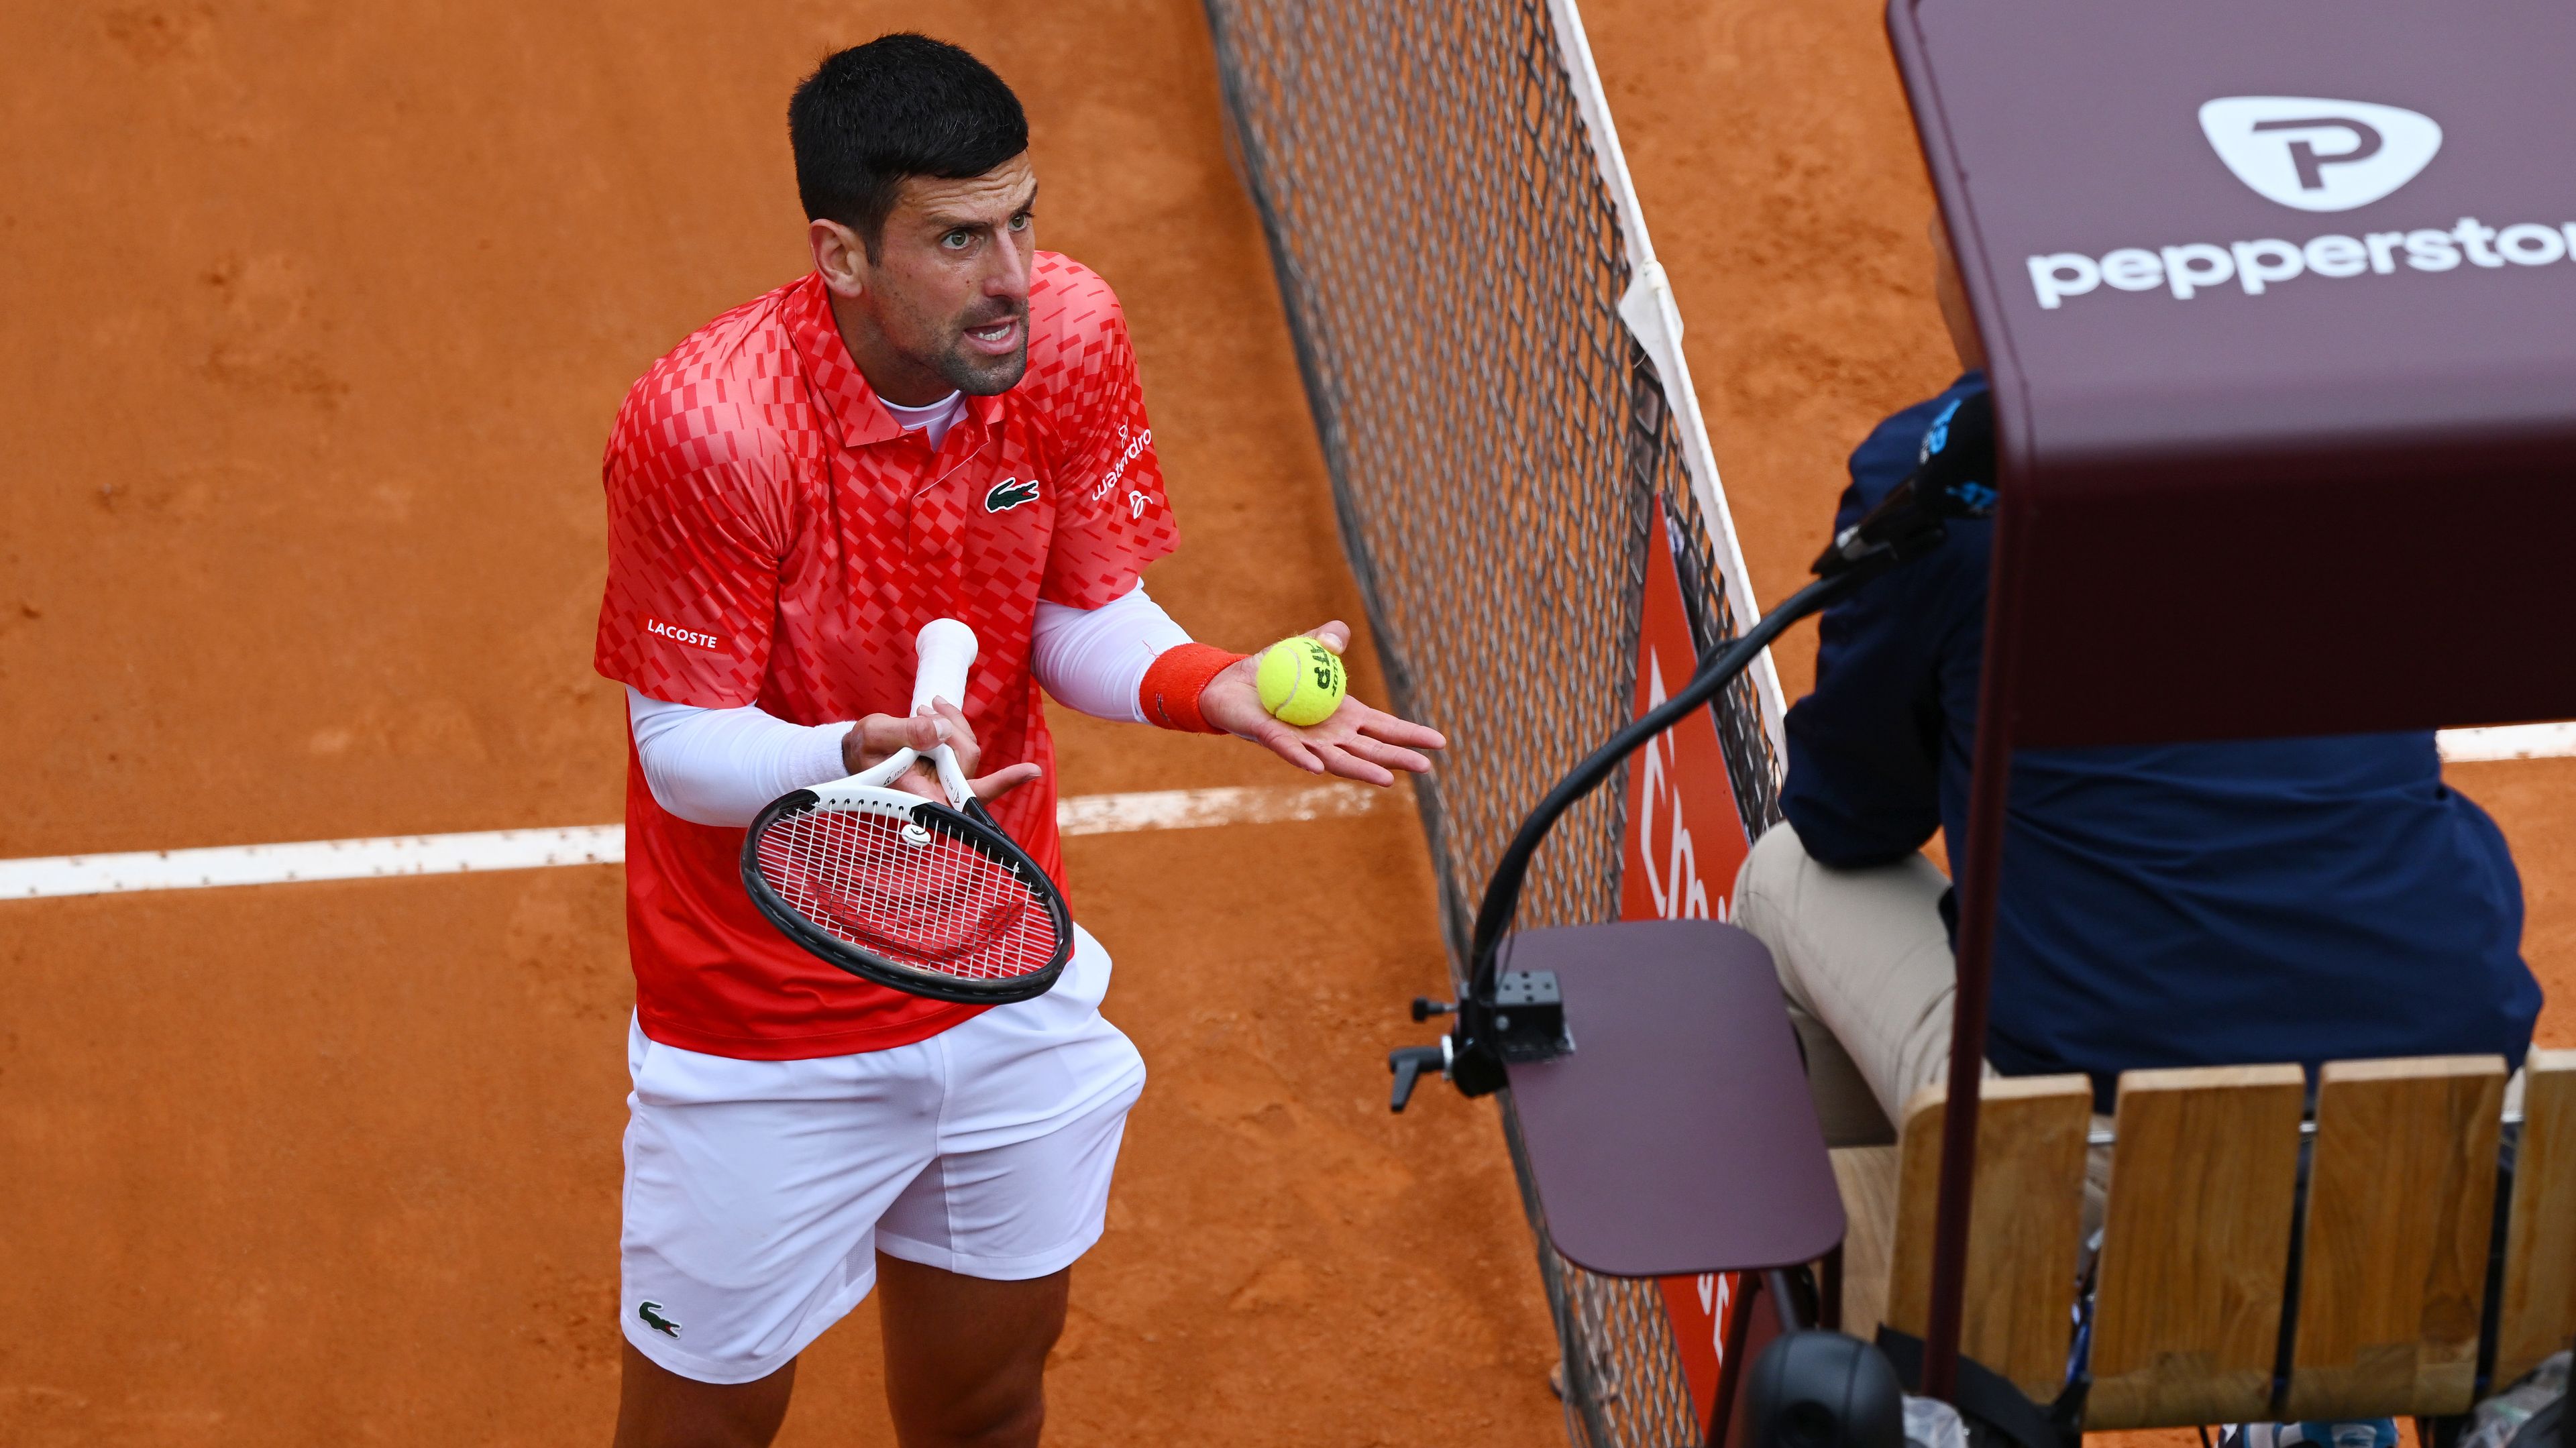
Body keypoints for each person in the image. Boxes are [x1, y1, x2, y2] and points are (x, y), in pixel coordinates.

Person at [591, 36, 1442, 1448]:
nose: (1010, 276)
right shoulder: (711, 428)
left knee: (987, 1409)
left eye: (1022, 220)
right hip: (763, 1032)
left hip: (1000, 970)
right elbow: (684, 748)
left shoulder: (1068, 333)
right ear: (843, 254)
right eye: (958, 238)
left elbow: (1084, 615)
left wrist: (1209, 681)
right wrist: (847, 755)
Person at [1731, 216, 2543, 1147]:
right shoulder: (2368, 436)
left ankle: (1891, 1270)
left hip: (2106, 1176)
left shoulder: (1943, 477)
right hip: (2459, 1132)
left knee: (1786, 875)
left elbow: (1849, 818)